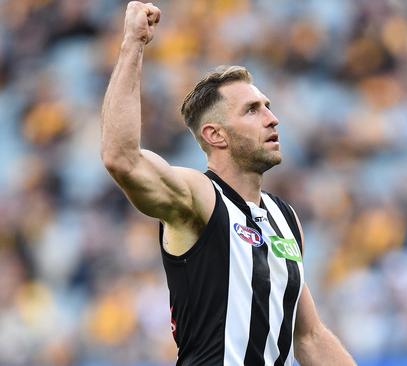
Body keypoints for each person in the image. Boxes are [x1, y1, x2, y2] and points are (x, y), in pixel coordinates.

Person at [101, 2, 356, 365]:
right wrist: (133, 43)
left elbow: (309, 335)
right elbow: (121, 158)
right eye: (252, 110)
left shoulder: (284, 217)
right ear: (215, 135)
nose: (273, 119)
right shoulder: (199, 198)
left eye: (267, 106)